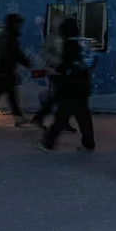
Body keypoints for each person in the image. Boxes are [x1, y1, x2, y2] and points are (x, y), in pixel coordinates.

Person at [38, 17, 95, 152]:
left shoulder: (69, 45)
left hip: (70, 87)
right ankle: (89, 143)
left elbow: (67, 65)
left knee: (61, 116)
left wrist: (55, 69)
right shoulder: (82, 44)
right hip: (82, 87)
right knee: (84, 117)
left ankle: (48, 143)